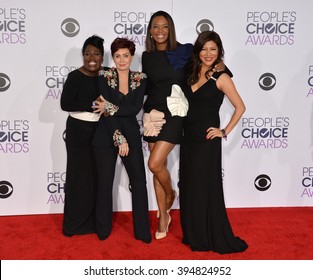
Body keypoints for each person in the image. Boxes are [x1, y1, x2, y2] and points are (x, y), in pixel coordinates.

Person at [142, 11, 227, 240]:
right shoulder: (146, 56)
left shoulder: (184, 51)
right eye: (156, 27)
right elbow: (146, 87)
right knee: (159, 168)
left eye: (165, 26)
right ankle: (163, 216)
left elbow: (204, 64)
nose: (160, 31)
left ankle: (170, 196)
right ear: (150, 30)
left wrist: (219, 65)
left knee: (154, 163)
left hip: (175, 113)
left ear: (171, 29)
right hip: (152, 115)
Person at [179, 30, 248, 253]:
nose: (208, 54)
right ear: (197, 51)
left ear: (219, 52)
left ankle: (207, 237)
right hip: (188, 139)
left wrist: (224, 131)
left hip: (207, 141)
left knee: (203, 188)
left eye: (213, 49)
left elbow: (240, 107)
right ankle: (193, 234)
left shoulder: (222, 77)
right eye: (204, 49)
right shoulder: (191, 72)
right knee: (189, 187)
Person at [92, 38, 152, 243]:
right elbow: (104, 111)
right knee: (104, 183)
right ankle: (103, 230)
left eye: (125, 55)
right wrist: (119, 138)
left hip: (132, 136)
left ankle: (143, 232)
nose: (121, 60)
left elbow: (134, 109)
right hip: (106, 134)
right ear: (113, 57)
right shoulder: (104, 75)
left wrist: (109, 106)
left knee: (139, 183)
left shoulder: (141, 78)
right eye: (117, 56)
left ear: (132, 56)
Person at [60, 35, 104, 237]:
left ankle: (95, 223)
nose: (91, 57)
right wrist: (92, 105)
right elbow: (66, 104)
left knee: (97, 177)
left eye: (96, 53)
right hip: (78, 132)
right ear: (83, 56)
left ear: (102, 57)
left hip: (100, 132)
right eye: (87, 54)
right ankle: (74, 225)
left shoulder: (105, 77)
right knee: (78, 178)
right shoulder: (74, 76)